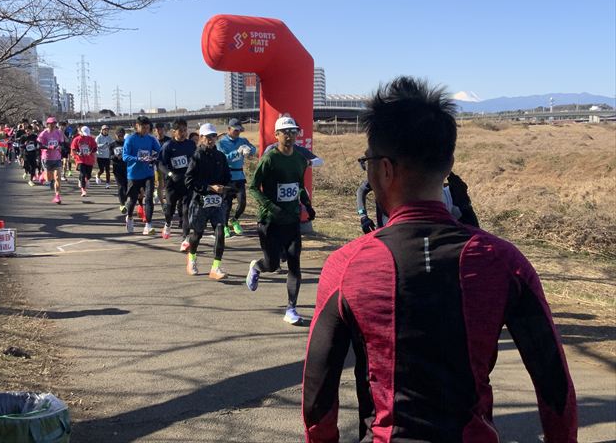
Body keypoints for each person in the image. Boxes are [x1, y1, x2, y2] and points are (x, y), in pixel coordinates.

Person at [301, 76, 577, 442]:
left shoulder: (347, 266)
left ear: (384, 169)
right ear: (447, 165)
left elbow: (318, 388)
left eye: (366, 162)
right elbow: (553, 380)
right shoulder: (503, 261)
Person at [246, 115, 316, 325]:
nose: (290, 135)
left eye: (293, 131)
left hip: (292, 221)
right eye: (285, 132)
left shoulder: (300, 160)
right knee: (272, 264)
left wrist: (307, 205)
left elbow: (298, 186)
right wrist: (270, 207)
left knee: (294, 263)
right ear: (276, 135)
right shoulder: (269, 159)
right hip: (270, 222)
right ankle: (257, 267)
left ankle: (291, 308)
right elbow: (253, 187)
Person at [356, 171, 480, 233]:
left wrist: (465, 206)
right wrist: (363, 216)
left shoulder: (452, 192)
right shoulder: (388, 173)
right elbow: (362, 190)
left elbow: (474, 231)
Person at [184, 123, 231, 280]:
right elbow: (189, 181)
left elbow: (227, 177)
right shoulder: (196, 156)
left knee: (220, 232)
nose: (210, 139)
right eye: (207, 136)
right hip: (200, 201)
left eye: (213, 136)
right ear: (201, 137)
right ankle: (192, 258)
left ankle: (215, 267)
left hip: (217, 202)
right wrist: (210, 187)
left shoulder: (220, 157)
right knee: (197, 234)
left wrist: (225, 188)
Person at [217, 118, 257, 237]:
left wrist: (249, 150)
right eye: (235, 130)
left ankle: (234, 219)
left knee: (242, 202)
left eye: (239, 130)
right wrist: (237, 152)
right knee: (227, 204)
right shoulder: (221, 143)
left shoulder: (243, 140)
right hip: (227, 177)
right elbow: (223, 158)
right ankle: (225, 226)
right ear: (229, 129)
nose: (238, 133)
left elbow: (253, 149)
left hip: (239, 176)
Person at [159, 118, 196, 242]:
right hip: (172, 182)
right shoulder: (168, 146)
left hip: (187, 182)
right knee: (170, 208)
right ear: (173, 132)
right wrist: (170, 173)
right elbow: (160, 164)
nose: (183, 133)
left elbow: (196, 161)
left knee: (186, 211)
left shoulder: (191, 144)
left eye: (185, 130)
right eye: (180, 130)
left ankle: (185, 239)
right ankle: (168, 223)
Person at [122, 116, 160, 235]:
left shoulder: (151, 139)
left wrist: (154, 158)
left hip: (148, 173)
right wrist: (138, 159)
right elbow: (125, 157)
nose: (145, 130)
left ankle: (148, 224)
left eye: (147, 128)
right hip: (134, 174)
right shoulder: (130, 139)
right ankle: (129, 217)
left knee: (148, 198)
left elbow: (159, 151)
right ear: (137, 126)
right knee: (133, 199)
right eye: (143, 128)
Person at [36, 116, 65, 204]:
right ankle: (42, 175)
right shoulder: (43, 134)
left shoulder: (59, 133)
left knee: (57, 178)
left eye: (54, 123)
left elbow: (62, 143)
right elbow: (39, 145)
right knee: (48, 178)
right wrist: (49, 147)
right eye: (51, 124)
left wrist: (60, 146)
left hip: (57, 158)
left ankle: (57, 196)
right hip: (47, 158)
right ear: (47, 124)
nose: (53, 125)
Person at [71, 126, 98, 197]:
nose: (86, 136)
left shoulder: (91, 139)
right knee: (83, 174)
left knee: (88, 175)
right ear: (80, 132)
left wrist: (91, 152)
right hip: (80, 159)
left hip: (89, 159)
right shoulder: (76, 139)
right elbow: (73, 149)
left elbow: (95, 148)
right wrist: (78, 153)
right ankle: (83, 190)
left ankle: (84, 179)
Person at [109, 127, 128, 213]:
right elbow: (110, 156)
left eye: (122, 136)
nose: (120, 137)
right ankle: (122, 204)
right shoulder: (112, 145)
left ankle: (125, 199)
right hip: (117, 168)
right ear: (115, 135)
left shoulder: (127, 144)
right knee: (120, 186)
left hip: (127, 168)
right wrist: (116, 157)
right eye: (119, 136)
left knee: (127, 186)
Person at [153, 121, 171, 210]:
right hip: (157, 165)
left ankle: (168, 202)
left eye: (161, 129)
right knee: (160, 185)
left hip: (168, 166)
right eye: (157, 130)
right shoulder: (153, 141)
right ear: (155, 131)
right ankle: (163, 204)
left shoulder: (169, 140)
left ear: (164, 130)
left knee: (167, 185)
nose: (160, 131)